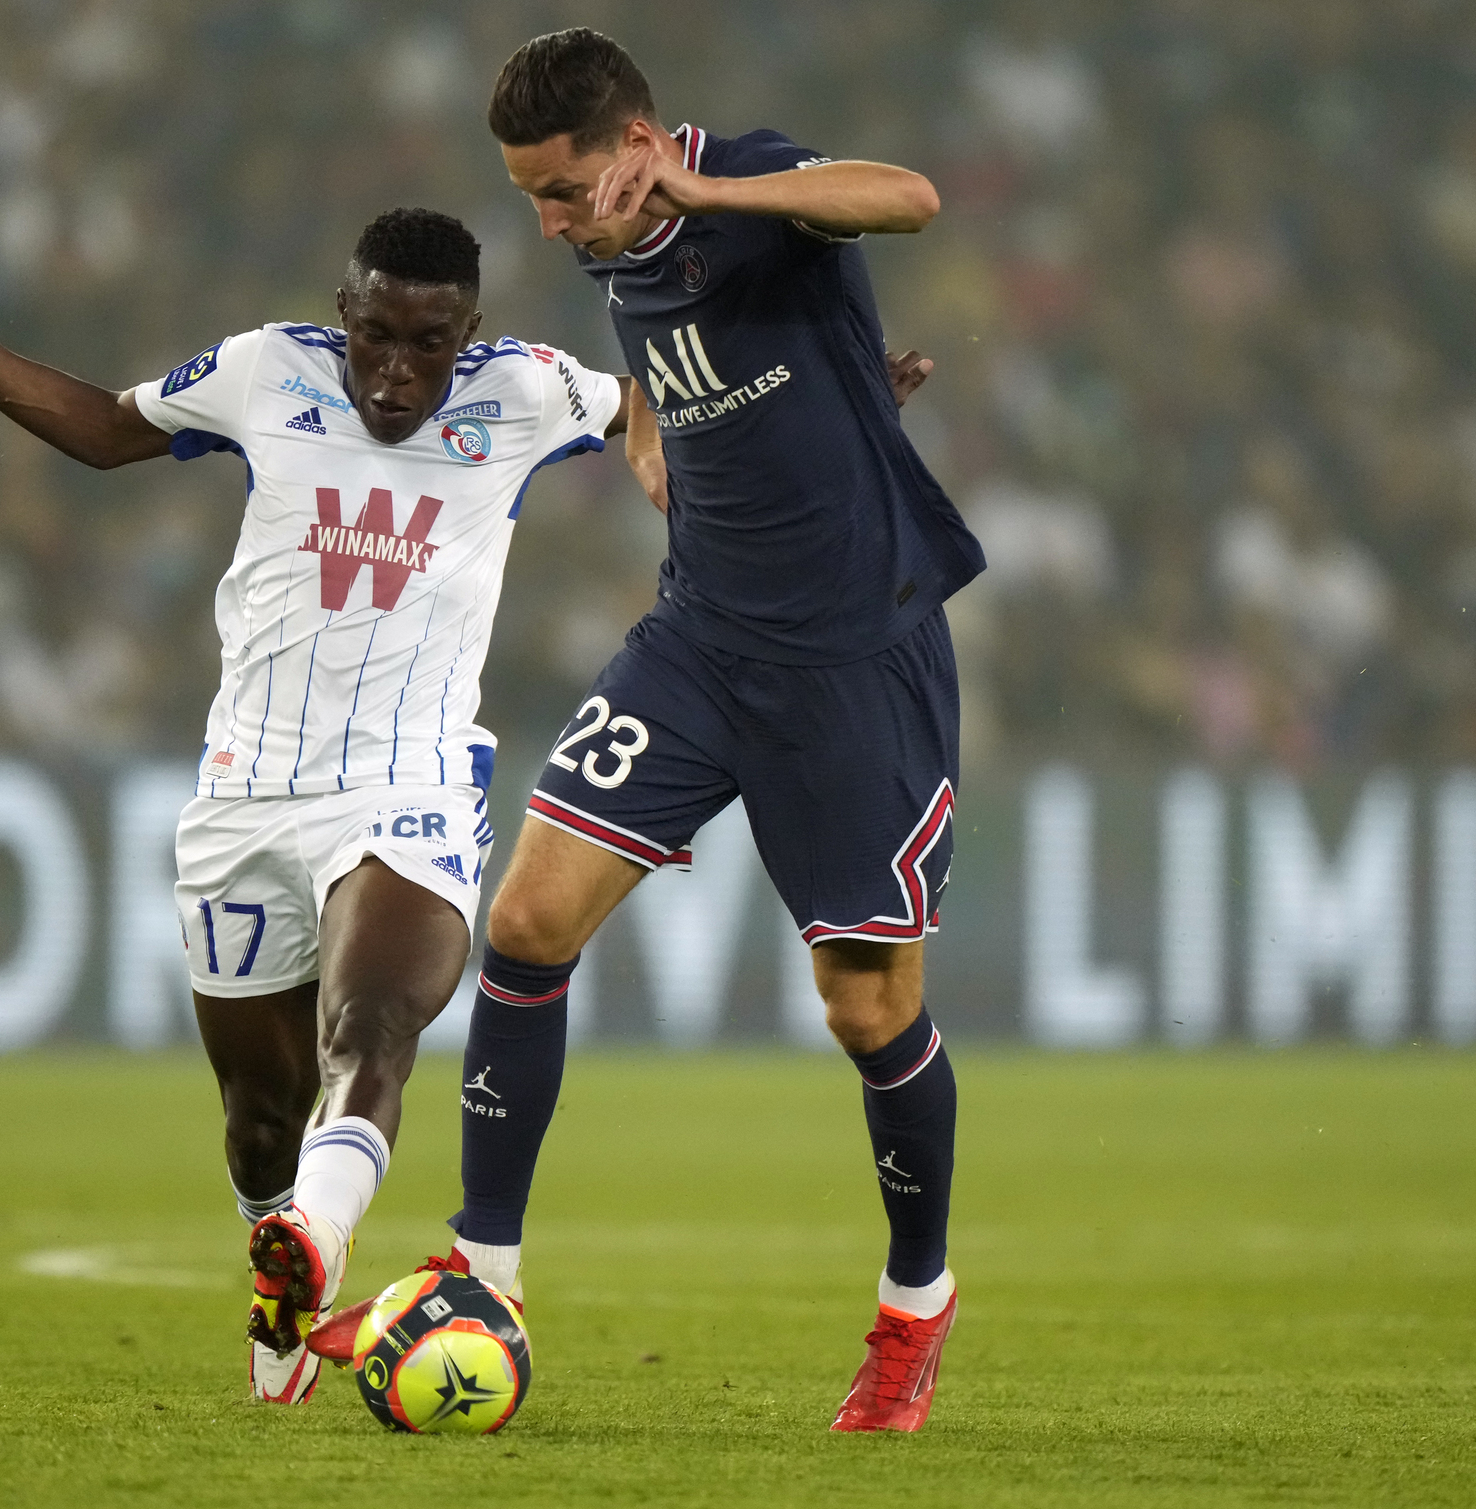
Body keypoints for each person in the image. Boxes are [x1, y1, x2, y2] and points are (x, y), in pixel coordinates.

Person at [0, 207, 636, 1405]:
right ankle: (278, 1271)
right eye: (374, 339)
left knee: (374, 1025)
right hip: (244, 795)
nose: (397, 372)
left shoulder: (527, 393)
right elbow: (105, 431)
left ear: (470, 333)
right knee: (261, 1117)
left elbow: (667, 396)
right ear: (340, 314)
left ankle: (314, 1232)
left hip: (406, 779)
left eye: (429, 344)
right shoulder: (266, 371)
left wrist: (830, 398)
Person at [314, 29, 981, 1434]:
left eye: (563, 192)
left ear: (637, 148)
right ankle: (480, 1266)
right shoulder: (614, 253)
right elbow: (708, 376)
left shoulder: (744, 182)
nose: (549, 226)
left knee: (870, 1010)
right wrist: (655, 433)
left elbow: (908, 197)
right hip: (703, 642)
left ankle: (913, 1309)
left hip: (855, 663)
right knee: (530, 921)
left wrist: (721, 198)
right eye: (532, 198)